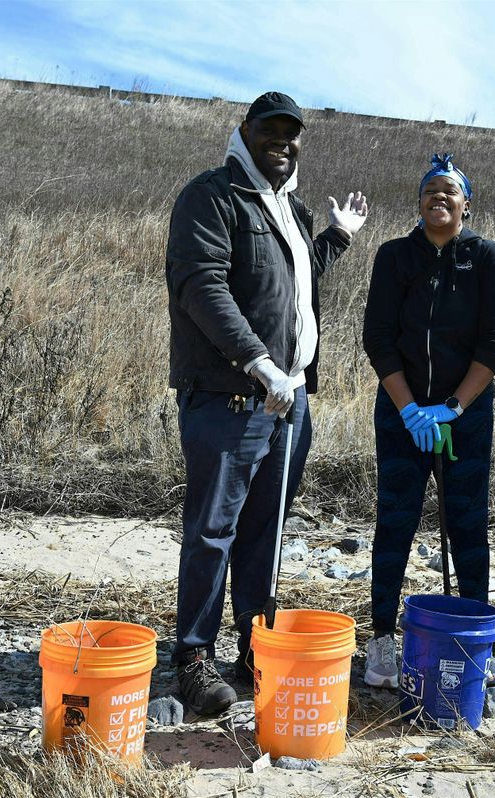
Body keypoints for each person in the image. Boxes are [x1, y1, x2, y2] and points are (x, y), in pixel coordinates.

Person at [165, 91, 369, 715]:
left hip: (290, 400)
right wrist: (258, 363)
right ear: (244, 130)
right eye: (270, 130)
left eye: (292, 133)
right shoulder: (212, 196)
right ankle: (193, 659)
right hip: (231, 396)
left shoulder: (289, 207)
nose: (282, 141)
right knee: (213, 530)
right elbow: (201, 286)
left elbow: (291, 278)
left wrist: (336, 236)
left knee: (265, 529)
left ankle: (254, 646)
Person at [361, 153, 495, 688]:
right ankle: (382, 639)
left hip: (463, 417)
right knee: (394, 521)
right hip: (401, 414)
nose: (440, 197)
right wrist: (408, 408)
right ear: (419, 202)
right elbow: (378, 337)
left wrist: (453, 407)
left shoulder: (487, 256)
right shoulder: (394, 256)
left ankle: (475, 639)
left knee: (468, 525)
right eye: (431, 190)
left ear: (466, 203)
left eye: (450, 191)